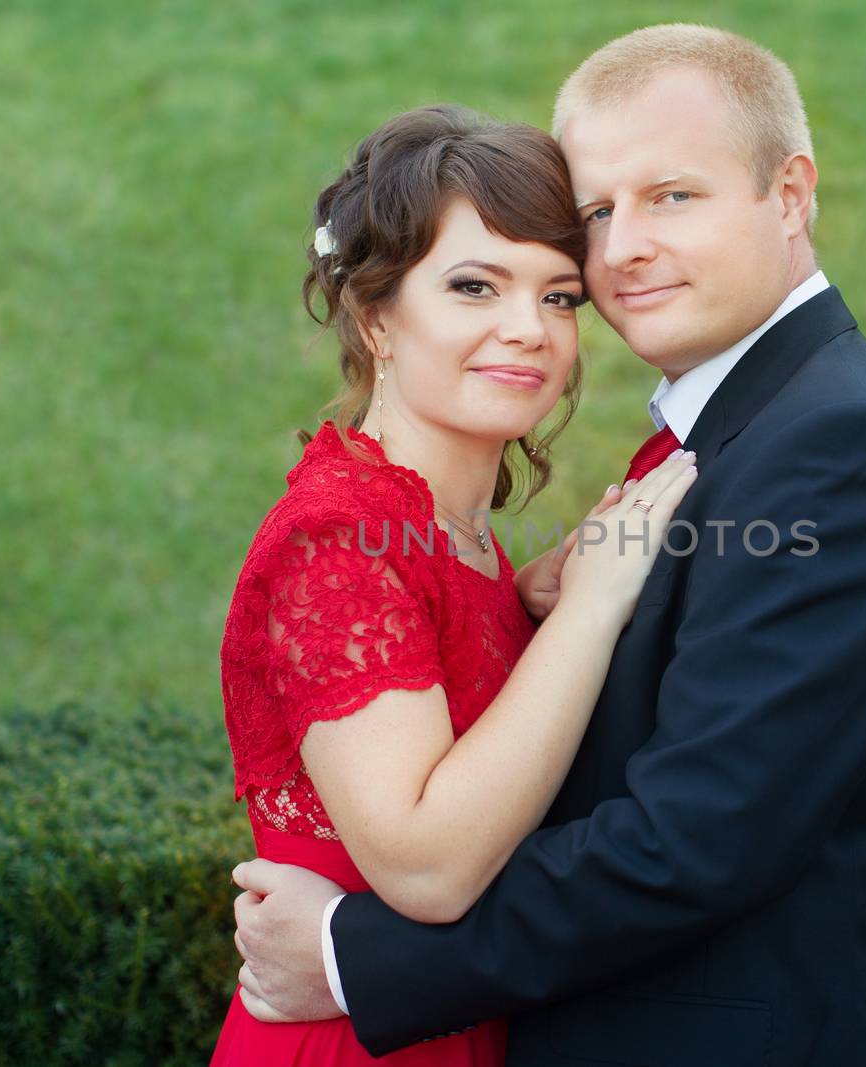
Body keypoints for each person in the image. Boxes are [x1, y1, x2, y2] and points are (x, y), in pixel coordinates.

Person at [232, 24, 866, 1067]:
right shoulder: (734, 433)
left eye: (672, 194)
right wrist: (570, 604)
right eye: (597, 211)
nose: (622, 246)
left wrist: (352, 954)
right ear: (375, 319)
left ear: (791, 193)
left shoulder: (844, 448)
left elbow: (700, 833)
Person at [209, 104, 698, 1066]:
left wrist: (523, 608)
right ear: (373, 316)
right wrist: (593, 608)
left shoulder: (449, 533)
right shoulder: (341, 536)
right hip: (355, 1038)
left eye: (560, 297)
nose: (529, 331)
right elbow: (427, 866)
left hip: (453, 1016)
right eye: (476, 286)